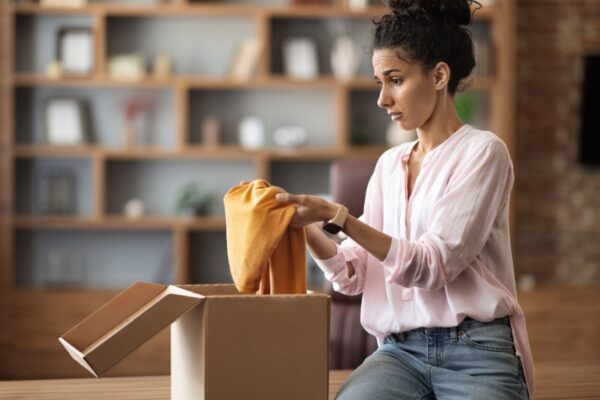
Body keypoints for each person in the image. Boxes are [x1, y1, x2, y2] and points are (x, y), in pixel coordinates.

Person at [274, 0, 534, 398]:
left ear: (439, 76)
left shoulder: (484, 153)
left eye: (395, 79)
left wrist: (339, 216)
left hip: (475, 349)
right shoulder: (387, 165)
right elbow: (352, 276)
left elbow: (433, 266)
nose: (382, 99)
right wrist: (305, 225)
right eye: (380, 83)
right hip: (399, 352)